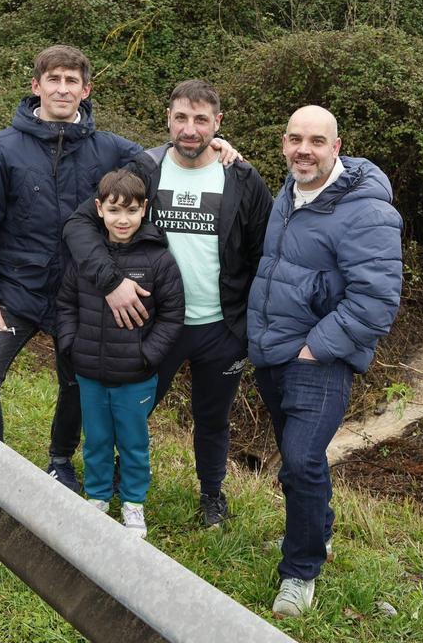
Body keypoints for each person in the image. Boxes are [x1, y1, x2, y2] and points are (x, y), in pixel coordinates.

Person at [0, 46, 238, 492]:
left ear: (85, 91)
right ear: (36, 86)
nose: (62, 89)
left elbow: (169, 156)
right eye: (53, 80)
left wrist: (214, 147)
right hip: (16, 294)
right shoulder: (2, 149)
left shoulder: (109, 149)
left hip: (82, 295)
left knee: (77, 385)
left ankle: (60, 460)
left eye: (72, 81)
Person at [64, 79, 273, 527]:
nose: (190, 129)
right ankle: (117, 479)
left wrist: (254, 323)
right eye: (181, 118)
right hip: (153, 323)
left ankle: (211, 494)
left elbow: (264, 254)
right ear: (168, 119)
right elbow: (80, 224)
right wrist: (110, 281)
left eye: (201, 119)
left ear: (217, 122)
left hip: (221, 327)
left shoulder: (242, 178)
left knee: (212, 417)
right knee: (132, 409)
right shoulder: (146, 170)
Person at [246, 105, 403, 618]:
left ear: (336, 148)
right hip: (273, 350)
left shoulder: (366, 210)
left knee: (302, 459)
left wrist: (316, 348)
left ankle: (301, 570)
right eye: (295, 139)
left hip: (319, 357)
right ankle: (316, 533)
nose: (304, 150)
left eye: (316, 141)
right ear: (284, 143)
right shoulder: (288, 195)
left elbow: (376, 301)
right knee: (296, 462)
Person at [55, 169, 185, 537]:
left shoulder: (158, 260)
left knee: (133, 443)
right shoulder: (86, 259)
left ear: (144, 209)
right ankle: (97, 496)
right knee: (96, 439)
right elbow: (65, 305)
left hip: (135, 377)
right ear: (99, 209)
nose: (122, 219)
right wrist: (71, 345)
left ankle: (133, 503)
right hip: (90, 372)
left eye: (131, 210)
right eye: (114, 210)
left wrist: (147, 356)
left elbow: (173, 315)